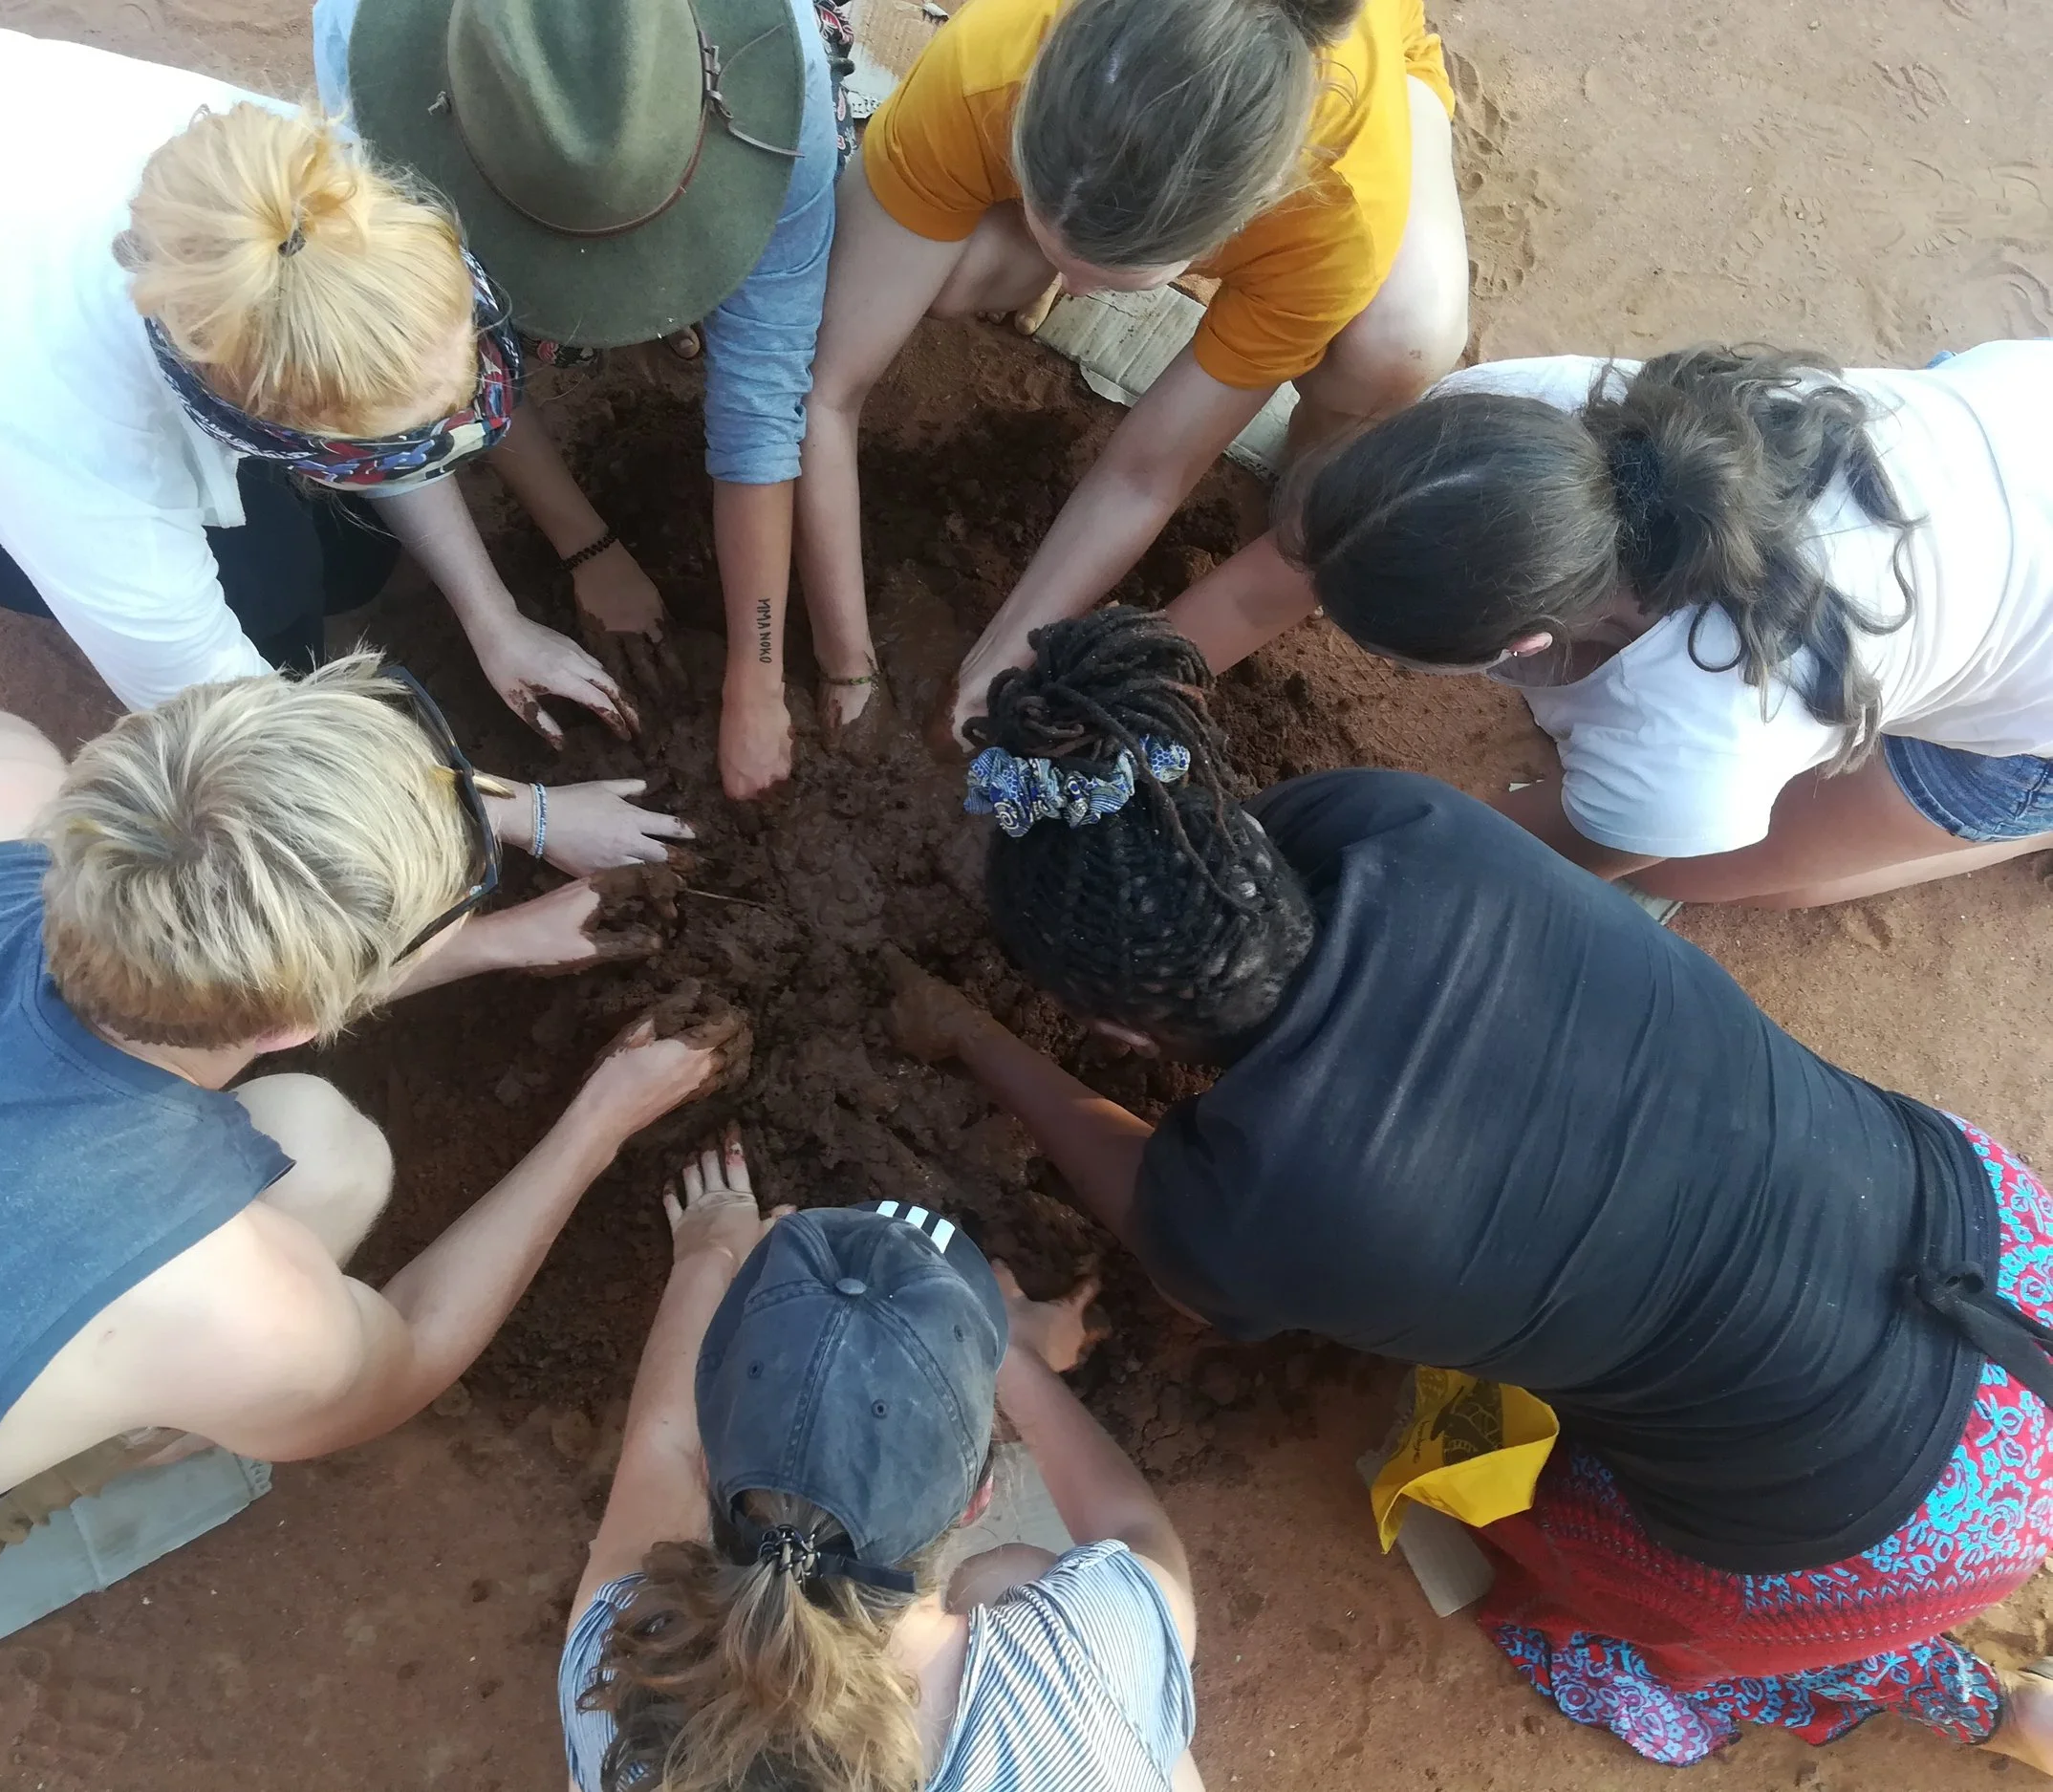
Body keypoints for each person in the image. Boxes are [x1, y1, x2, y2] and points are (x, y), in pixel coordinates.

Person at [887, 606, 2053, 1770]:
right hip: (1996, 1247)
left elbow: (1155, 1215)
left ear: (1114, 1033)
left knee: (1556, 1541)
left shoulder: (1258, 1216)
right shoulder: (1386, 819)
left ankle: (1964, 1700)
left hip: (1875, 1526)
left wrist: (974, 1038)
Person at [0, 652, 746, 1724]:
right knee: (327, 1157)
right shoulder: (223, 1298)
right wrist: (598, 1120)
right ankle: (140, 1419)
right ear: (297, 1026)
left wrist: (495, 947)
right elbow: (406, 1350)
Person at [0, 14, 693, 875]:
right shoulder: (69, 445)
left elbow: (364, 371)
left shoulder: (301, 202)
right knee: (271, 615)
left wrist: (492, 614)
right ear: (249, 419)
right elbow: (238, 711)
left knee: (349, 560)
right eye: (374, 446)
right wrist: (534, 817)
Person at [1172, 340, 2053, 907]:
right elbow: (1267, 584)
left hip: (2029, 705)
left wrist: (1243, 864)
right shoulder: (1517, 416)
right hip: (2014, 415)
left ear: (1522, 646)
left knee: (1698, 870)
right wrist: (1117, 691)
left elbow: (1501, 859)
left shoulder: (1703, 739)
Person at [799, 0, 1469, 745]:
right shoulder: (989, 60)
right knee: (954, 279)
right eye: (1059, 254)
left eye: (1114, 282)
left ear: (1245, 218)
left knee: (1399, 346)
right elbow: (827, 391)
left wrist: (999, 667)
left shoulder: (1334, 211)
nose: (1077, 297)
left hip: (1374, 68)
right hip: (1093, 111)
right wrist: (846, 662)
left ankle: (1303, 475)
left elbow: (1146, 473)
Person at [319, 0, 854, 800]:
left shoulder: (786, 87)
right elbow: (449, 353)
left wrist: (760, 674)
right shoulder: (365, 62)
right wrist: (586, 546)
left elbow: (764, 398)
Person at [557, 1143, 1200, 1791]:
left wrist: (709, 1247)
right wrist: (1013, 1352)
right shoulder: (1079, 1661)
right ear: (977, 1497)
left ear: (707, 1471)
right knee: (1013, 1576)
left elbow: (657, 1445)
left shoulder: (625, 1680)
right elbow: (1134, 1530)